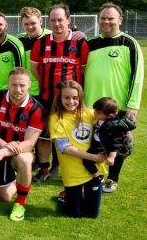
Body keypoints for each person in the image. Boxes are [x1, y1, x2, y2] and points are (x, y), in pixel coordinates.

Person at [83, 3, 143, 192]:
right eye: (103, 18)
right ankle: (95, 175)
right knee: (93, 142)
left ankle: (113, 178)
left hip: (116, 107)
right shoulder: (90, 44)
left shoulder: (128, 43)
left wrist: (132, 105)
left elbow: (137, 75)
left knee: (117, 144)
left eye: (111, 18)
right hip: (91, 106)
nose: (106, 22)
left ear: (120, 20)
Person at [31, 4, 89, 182]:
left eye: (60, 20)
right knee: (45, 135)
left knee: (68, 134)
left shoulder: (80, 43)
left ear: (68, 20)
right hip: (47, 96)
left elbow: (83, 70)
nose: (57, 24)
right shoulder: (41, 43)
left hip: (71, 101)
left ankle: (63, 166)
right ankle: (44, 168)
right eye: (53, 20)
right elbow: (35, 68)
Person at [0, 67, 46, 221]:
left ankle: (20, 203)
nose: (18, 89)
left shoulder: (37, 109)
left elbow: (29, 144)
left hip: (21, 152)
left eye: (22, 85)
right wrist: (5, 147)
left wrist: (3, 151)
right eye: (14, 85)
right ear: (7, 84)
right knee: (3, 197)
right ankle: (21, 179)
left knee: (24, 160)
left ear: (30, 84)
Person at [47, 81, 105, 218]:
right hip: (73, 172)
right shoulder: (56, 119)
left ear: (80, 98)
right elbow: (65, 148)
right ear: (59, 98)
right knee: (74, 214)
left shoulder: (91, 114)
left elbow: (109, 125)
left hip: (94, 171)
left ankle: (77, 197)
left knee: (92, 215)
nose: (71, 101)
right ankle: (64, 197)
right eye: (66, 97)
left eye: (75, 97)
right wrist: (94, 158)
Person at [85, 98, 134, 175]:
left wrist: (111, 157)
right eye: (94, 110)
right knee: (86, 160)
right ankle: (97, 176)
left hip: (111, 149)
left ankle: (111, 180)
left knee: (116, 162)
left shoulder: (114, 126)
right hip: (99, 144)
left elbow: (116, 142)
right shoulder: (102, 118)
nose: (94, 113)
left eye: (98, 113)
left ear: (109, 116)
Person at [16, 7, 52, 98]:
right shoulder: (19, 39)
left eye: (33, 23)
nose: (30, 27)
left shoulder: (51, 37)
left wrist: (79, 34)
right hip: (27, 92)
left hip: (48, 90)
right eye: (26, 24)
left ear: (40, 21)